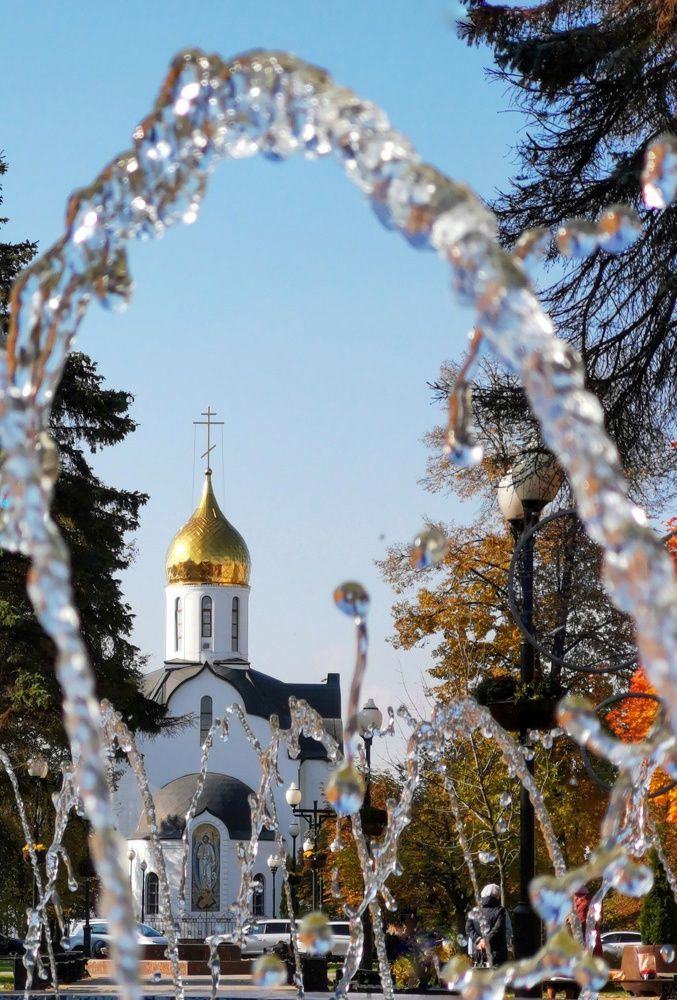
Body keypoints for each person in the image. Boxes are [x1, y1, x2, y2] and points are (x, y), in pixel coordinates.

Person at [466, 884, 508, 966]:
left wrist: (478, 940)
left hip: (479, 952)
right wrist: (486, 940)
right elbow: (498, 929)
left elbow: (468, 928)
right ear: (497, 896)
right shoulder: (500, 910)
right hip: (496, 954)